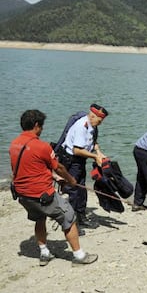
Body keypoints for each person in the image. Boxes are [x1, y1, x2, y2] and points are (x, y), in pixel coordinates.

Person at [9, 109, 98, 266]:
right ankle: (79, 256)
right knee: (69, 217)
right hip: (42, 195)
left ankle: (44, 253)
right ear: (37, 125)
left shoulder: (14, 144)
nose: (42, 129)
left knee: (40, 218)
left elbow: (29, 169)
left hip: (23, 196)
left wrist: (54, 177)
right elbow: (60, 168)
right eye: (41, 126)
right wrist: (70, 180)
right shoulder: (42, 146)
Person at [61, 103, 108, 229]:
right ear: (92, 116)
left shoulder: (92, 126)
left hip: (80, 161)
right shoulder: (82, 126)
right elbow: (77, 150)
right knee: (73, 191)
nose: (101, 123)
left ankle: (81, 217)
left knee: (81, 189)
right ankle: (71, 224)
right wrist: (94, 157)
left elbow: (93, 142)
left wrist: (98, 152)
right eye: (100, 120)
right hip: (72, 161)